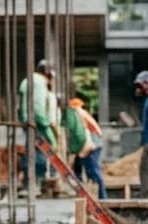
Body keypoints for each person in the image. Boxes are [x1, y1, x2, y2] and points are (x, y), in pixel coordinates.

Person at [17, 60, 57, 192]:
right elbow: (38, 107)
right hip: (37, 123)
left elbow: (19, 105)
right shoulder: (40, 83)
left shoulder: (26, 80)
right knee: (40, 152)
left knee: (30, 151)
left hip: (27, 122)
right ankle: (37, 184)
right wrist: (45, 125)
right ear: (47, 73)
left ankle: (28, 183)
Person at [62, 95, 106, 199]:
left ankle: (102, 198)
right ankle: (83, 193)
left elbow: (96, 130)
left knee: (93, 171)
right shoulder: (79, 115)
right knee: (78, 168)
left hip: (91, 145)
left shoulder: (80, 114)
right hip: (89, 143)